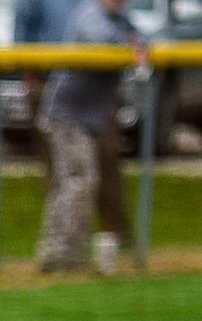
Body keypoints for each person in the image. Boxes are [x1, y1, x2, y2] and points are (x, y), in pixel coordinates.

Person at [16, 0, 132, 274]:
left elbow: (140, 40)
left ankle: (63, 254)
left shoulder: (118, 17)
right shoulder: (89, 15)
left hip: (88, 116)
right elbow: (108, 40)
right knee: (78, 182)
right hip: (65, 114)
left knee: (74, 182)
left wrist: (134, 40)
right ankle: (61, 256)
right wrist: (132, 42)